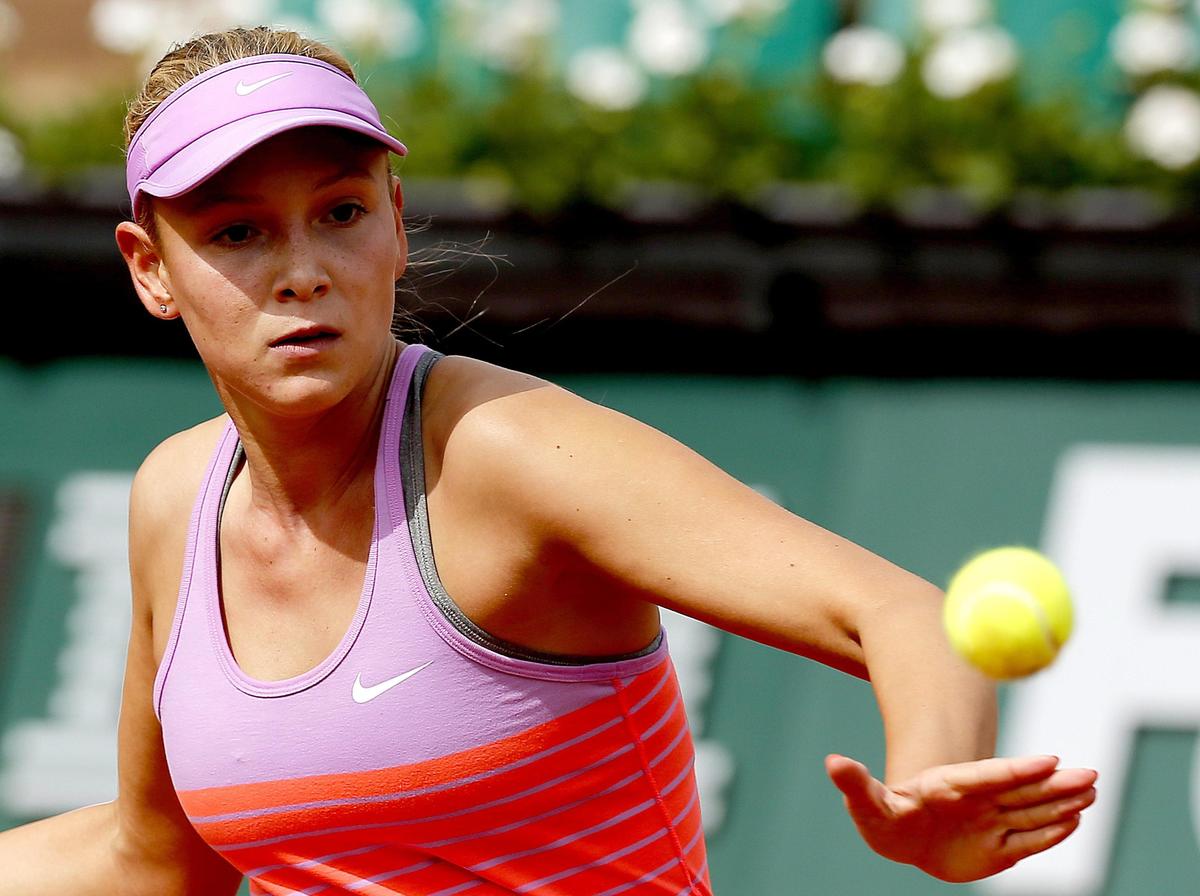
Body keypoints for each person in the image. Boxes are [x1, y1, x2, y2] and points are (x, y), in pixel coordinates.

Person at [0, 26, 1097, 896]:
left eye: (340, 212)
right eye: (237, 232)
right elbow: (156, 862)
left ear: (394, 222)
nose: (304, 270)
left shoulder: (508, 453)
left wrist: (932, 786)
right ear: (150, 269)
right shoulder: (176, 498)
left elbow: (902, 614)